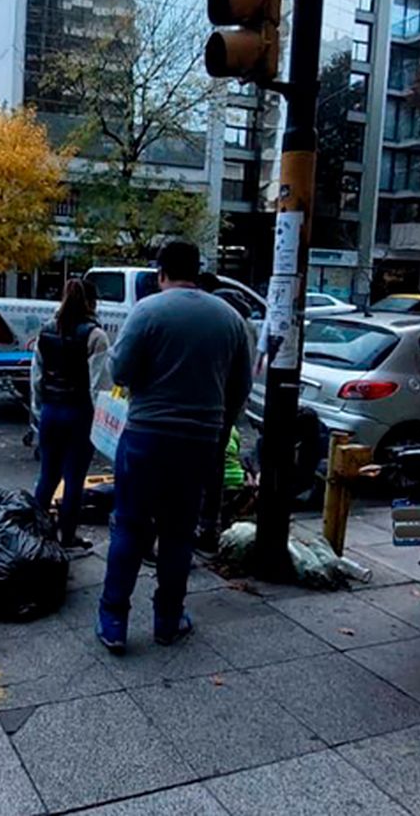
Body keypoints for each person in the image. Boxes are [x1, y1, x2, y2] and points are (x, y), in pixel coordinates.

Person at [97, 242, 254, 653]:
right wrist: (218, 426)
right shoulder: (230, 319)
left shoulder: (147, 311)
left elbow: (122, 371)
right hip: (200, 441)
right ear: (198, 271)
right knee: (179, 533)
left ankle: (113, 620)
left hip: (147, 436)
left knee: (130, 526)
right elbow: (241, 388)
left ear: (161, 272)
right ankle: (168, 619)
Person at [31, 279, 112, 550]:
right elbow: (99, 385)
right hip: (79, 414)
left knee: (47, 476)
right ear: (93, 303)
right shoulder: (96, 336)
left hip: (51, 411)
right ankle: (68, 537)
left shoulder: (46, 330)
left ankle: (36, 534)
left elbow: (37, 378)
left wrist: (39, 410)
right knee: (74, 479)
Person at [193, 271, 248, 555]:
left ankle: (196, 526)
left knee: (190, 474)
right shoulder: (235, 320)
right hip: (221, 411)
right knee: (211, 472)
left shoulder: (208, 320)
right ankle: (208, 527)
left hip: (200, 409)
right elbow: (243, 380)